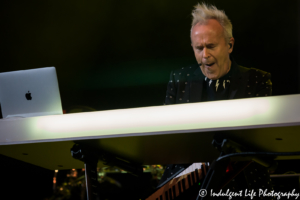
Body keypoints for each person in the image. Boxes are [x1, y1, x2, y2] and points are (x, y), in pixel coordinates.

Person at [160, 3, 273, 195]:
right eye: (198, 48)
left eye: (211, 46)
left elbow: (260, 143)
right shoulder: (180, 79)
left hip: (243, 185)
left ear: (230, 45)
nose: (205, 56)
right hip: (186, 187)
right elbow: (166, 136)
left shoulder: (257, 80)